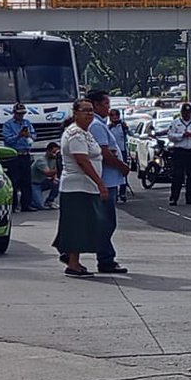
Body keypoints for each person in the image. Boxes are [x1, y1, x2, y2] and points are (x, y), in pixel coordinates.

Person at [53, 99, 109, 277]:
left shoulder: (85, 132)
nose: (89, 113)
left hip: (85, 188)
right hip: (77, 187)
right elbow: (82, 161)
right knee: (78, 227)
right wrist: (100, 183)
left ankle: (70, 256)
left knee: (84, 225)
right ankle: (73, 263)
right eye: (85, 110)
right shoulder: (75, 134)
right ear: (75, 113)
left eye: (91, 110)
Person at [86, 90, 129, 274]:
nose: (108, 108)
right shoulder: (96, 125)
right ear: (95, 105)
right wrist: (121, 166)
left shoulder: (100, 124)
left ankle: (104, 256)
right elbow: (103, 153)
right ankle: (105, 259)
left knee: (103, 221)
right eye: (106, 104)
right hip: (105, 180)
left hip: (109, 179)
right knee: (106, 222)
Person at [167, 102, 191, 206]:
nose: (186, 115)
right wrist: (182, 135)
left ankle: (190, 197)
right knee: (177, 175)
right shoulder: (175, 123)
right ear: (181, 113)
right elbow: (170, 135)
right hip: (180, 151)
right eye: (184, 113)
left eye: (188, 113)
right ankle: (174, 198)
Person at [2, 103, 36, 212]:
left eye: (22, 114)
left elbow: (35, 135)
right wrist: (19, 135)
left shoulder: (27, 123)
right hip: (14, 155)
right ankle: (13, 205)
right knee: (14, 181)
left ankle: (26, 204)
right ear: (14, 113)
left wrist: (29, 135)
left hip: (25, 154)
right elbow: (7, 140)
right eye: (19, 114)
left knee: (26, 181)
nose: (21, 116)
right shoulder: (8, 124)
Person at [108, 108, 130, 202]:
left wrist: (126, 128)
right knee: (113, 171)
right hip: (112, 151)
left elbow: (129, 135)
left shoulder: (122, 126)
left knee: (123, 171)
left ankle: (122, 192)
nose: (114, 117)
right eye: (112, 115)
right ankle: (115, 192)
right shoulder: (108, 127)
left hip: (122, 150)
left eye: (116, 115)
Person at [30, 141, 61, 209]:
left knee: (57, 183)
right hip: (34, 183)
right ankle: (31, 199)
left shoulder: (54, 160)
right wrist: (59, 168)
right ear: (48, 151)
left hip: (43, 181)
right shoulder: (41, 160)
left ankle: (50, 201)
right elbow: (48, 173)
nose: (55, 154)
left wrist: (55, 177)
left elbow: (54, 174)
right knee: (39, 205)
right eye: (53, 152)